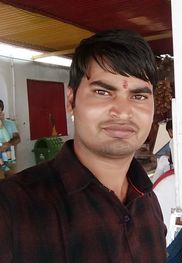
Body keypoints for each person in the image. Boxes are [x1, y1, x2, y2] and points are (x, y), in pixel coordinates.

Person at [0, 29, 167, 262]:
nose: (122, 111)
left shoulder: (147, 198)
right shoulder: (12, 208)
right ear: (71, 101)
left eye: (138, 96)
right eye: (102, 91)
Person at [0, 99, 21, 177]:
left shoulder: (10, 123)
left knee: (11, 181)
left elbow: (17, 138)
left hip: (10, 159)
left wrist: (7, 145)